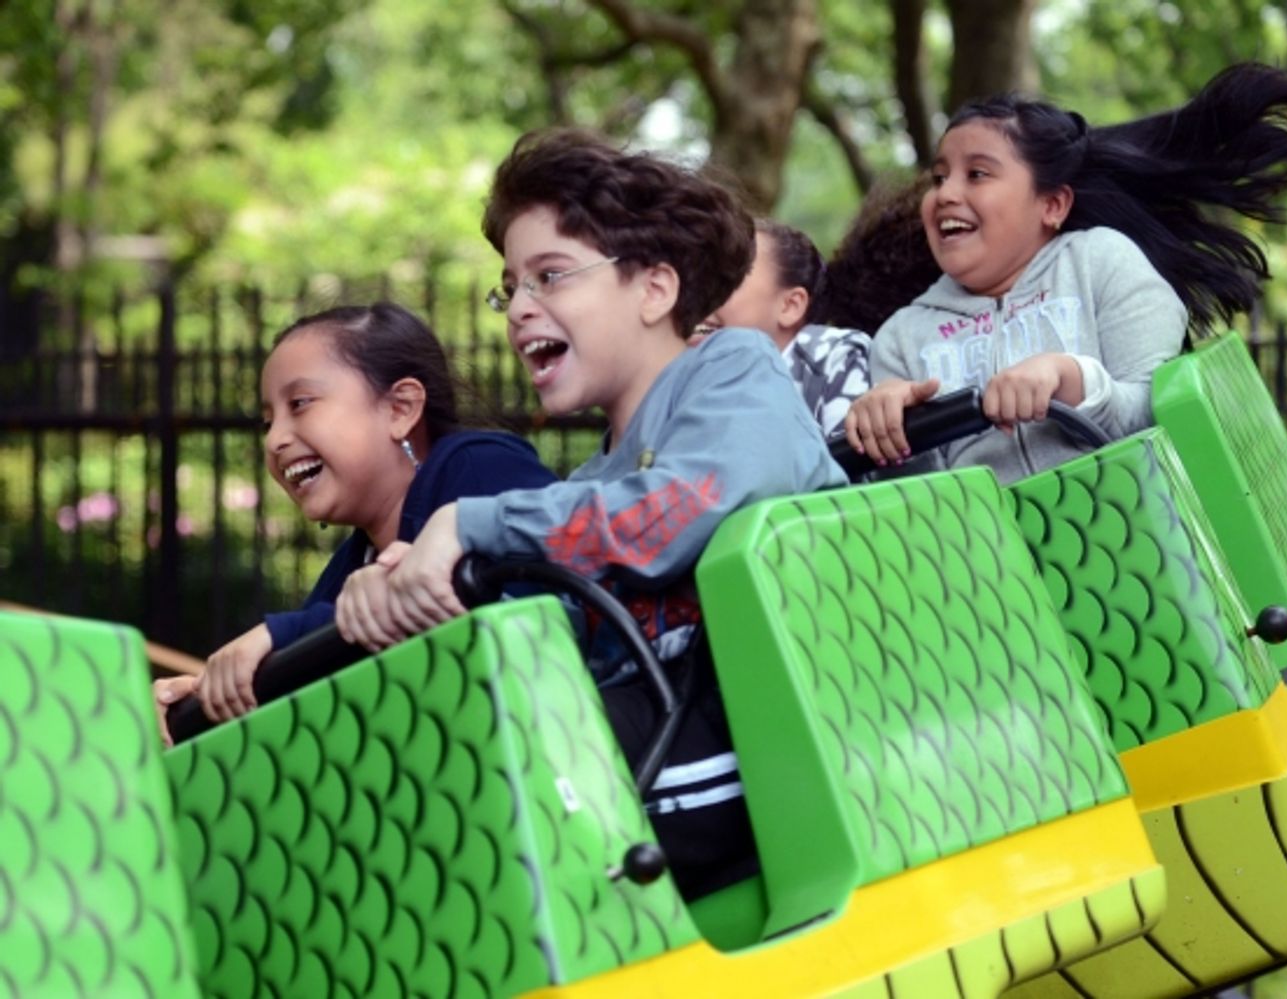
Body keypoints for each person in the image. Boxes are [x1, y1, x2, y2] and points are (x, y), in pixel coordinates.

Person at [334, 128, 848, 899]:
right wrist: (404, 589)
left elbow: (676, 514)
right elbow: (553, 629)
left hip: (785, 723)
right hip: (674, 728)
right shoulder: (595, 475)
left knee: (472, 807)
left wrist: (469, 525)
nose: (519, 309)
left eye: (551, 276)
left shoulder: (733, 368)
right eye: (512, 287)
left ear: (654, 289)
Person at [842, 62, 1287, 482]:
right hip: (991, 573)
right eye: (939, 177)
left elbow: (1162, 420)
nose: (945, 193)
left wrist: (1072, 379)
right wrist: (890, 433)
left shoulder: (1102, 264)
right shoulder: (900, 339)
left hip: (1137, 554)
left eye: (977, 174)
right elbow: (918, 507)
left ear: (1052, 204)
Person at [152, 302, 556, 738]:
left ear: (401, 408)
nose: (274, 439)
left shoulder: (480, 466)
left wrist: (280, 634)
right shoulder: (354, 560)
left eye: (300, 404)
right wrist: (204, 695)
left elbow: (526, 620)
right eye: (268, 421)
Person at [701, 219, 872, 439]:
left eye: (727, 279)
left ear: (790, 306)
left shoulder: (831, 357)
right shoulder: (678, 370)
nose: (702, 294)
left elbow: (849, 460)